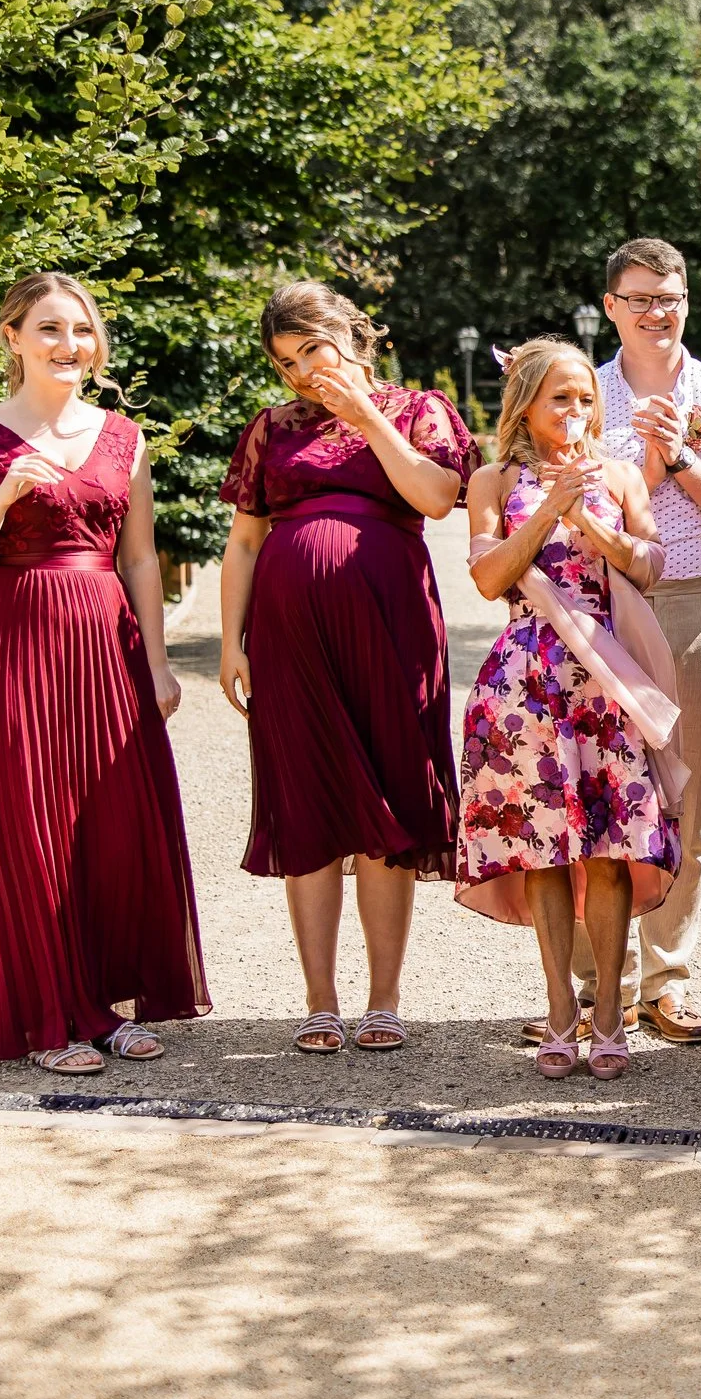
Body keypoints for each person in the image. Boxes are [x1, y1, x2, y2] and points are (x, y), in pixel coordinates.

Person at [0, 272, 209, 1074]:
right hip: (11, 648)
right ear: (12, 337)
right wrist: (3, 494)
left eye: (81, 330)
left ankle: (105, 1006)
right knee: (30, 829)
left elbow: (143, 557)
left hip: (106, 646)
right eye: (49, 329)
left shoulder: (123, 436)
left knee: (111, 831)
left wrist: (157, 664)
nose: (69, 345)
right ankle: (50, 1014)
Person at [216, 281, 478, 1056]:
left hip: (392, 628)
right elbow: (242, 542)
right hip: (290, 638)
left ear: (349, 335)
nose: (300, 372)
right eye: (285, 362)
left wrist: (365, 417)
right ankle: (320, 1000)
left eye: (311, 351)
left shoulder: (419, 409)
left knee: (390, 802)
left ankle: (385, 999)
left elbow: (436, 497)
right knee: (308, 803)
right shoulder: (271, 428)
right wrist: (232, 642)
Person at [553, 237, 701, 1047]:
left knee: (693, 796)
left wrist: (679, 455)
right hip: (599, 601)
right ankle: (591, 983)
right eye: (641, 297)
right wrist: (643, 469)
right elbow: (575, 514)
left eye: (671, 296)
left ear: (689, 300)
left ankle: (669, 978)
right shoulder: (581, 395)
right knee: (589, 793)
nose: (658, 311)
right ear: (611, 306)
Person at [454, 338, 681, 1083]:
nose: (577, 410)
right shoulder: (491, 479)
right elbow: (489, 576)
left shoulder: (617, 474)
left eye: (586, 397)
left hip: (604, 685)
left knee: (611, 849)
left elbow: (652, 565)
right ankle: (559, 1010)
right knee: (541, 849)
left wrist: (592, 522)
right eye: (561, 397)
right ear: (524, 402)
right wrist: (547, 507)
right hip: (525, 682)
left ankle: (610, 1014)